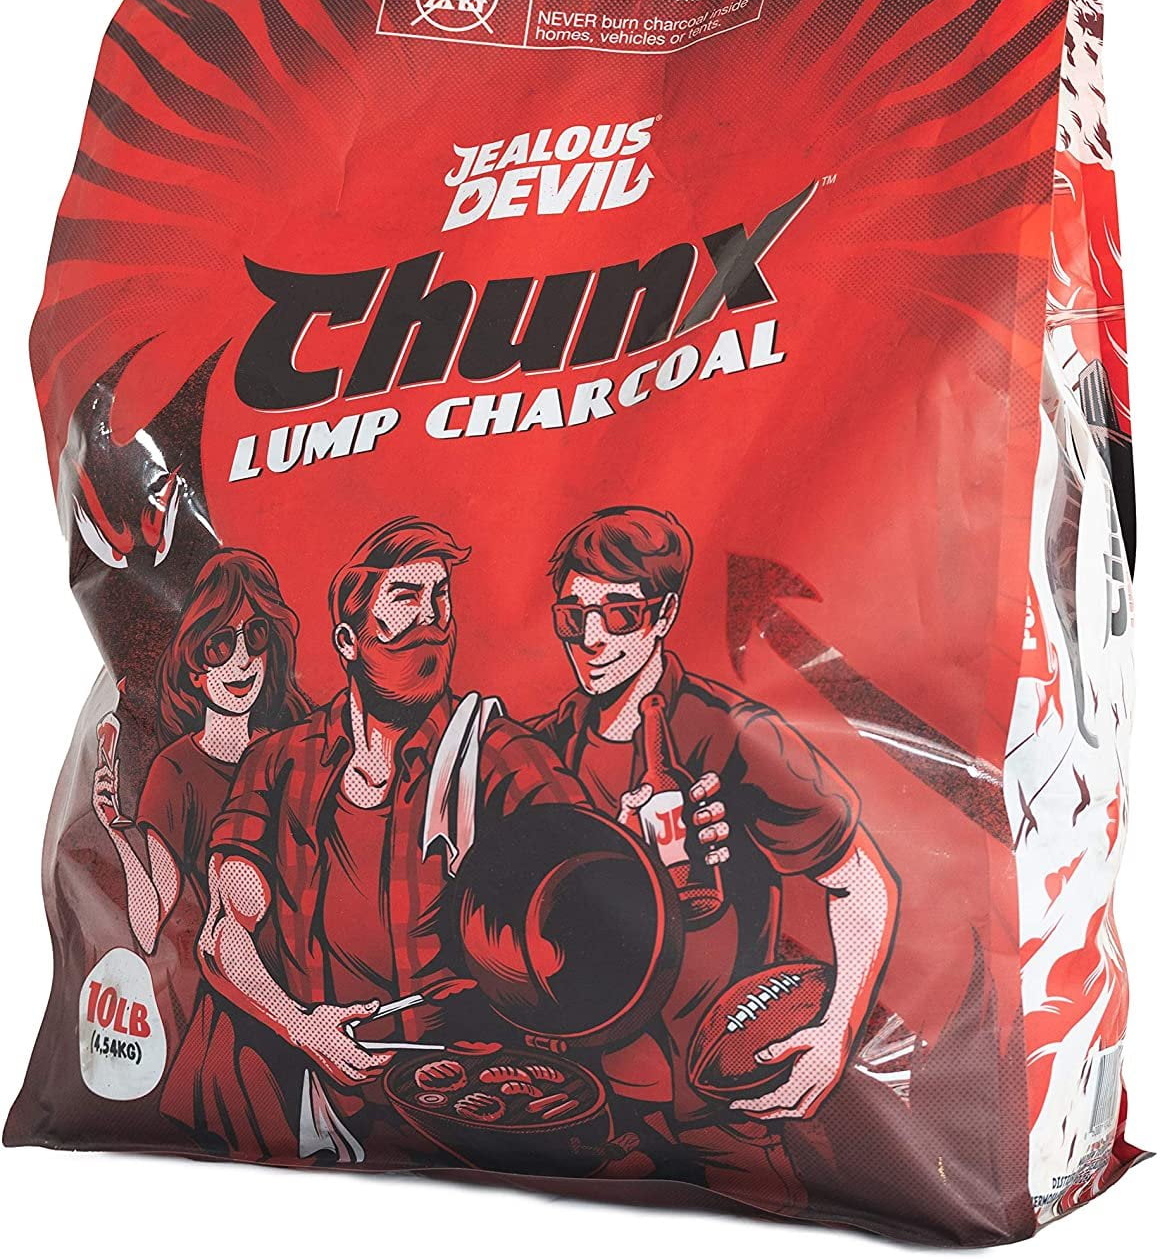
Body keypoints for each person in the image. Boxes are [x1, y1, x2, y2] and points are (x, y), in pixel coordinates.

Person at [187, 515, 592, 1164]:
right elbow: (223, 931)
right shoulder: (280, 765)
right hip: (321, 1121)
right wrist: (302, 1027)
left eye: (441, 598)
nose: (431, 619)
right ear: (348, 640)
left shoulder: (500, 758)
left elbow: (596, 883)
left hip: (471, 1127)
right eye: (406, 598)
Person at [530, 505, 900, 1210]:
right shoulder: (543, 746)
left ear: (664, 615)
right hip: (580, 1117)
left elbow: (859, 881)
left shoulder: (731, 733)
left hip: (721, 1107)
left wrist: (835, 1033)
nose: (593, 638)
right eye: (574, 617)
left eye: (620, 614)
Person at [92, 548, 310, 953]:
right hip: (226, 963)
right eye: (219, 645)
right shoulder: (176, 772)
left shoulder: (290, 751)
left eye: (255, 636)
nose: (242, 661)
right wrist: (117, 831)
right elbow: (150, 927)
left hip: (308, 963)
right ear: (193, 667)